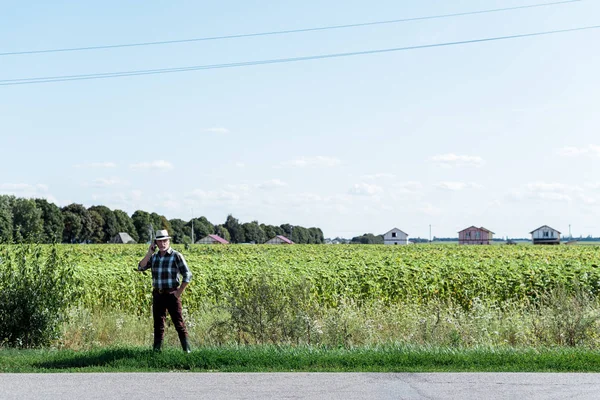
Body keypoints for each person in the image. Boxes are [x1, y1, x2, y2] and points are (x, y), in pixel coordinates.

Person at [137, 229, 193, 353]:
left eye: (165, 241)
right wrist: (149, 252)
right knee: (158, 325)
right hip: (158, 294)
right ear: (155, 243)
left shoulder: (176, 255)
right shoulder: (154, 257)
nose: (163, 244)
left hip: (172, 293)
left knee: (179, 324)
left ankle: (187, 351)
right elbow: (140, 267)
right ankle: (157, 352)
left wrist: (179, 292)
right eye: (160, 241)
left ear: (169, 241)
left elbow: (188, 275)